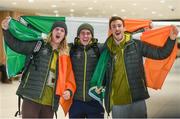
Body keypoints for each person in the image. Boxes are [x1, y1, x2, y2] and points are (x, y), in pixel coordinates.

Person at [96, 16, 178, 118]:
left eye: (119, 26)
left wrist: (171, 39)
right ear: (111, 30)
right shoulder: (106, 50)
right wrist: (100, 84)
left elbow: (160, 54)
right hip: (118, 101)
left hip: (137, 98)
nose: (117, 28)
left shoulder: (137, 45)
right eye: (113, 26)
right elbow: (103, 71)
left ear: (124, 28)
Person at [1, 17, 76, 118]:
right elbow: (16, 45)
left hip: (50, 102)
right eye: (56, 29)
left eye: (62, 30)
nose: (59, 32)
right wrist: (6, 30)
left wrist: (69, 90)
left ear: (64, 35)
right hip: (31, 97)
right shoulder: (39, 45)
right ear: (51, 32)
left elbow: (69, 76)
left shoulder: (64, 56)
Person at [69, 23, 104, 118]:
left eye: (88, 33)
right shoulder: (71, 49)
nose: (85, 36)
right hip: (75, 102)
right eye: (82, 33)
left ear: (92, 36)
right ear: (78, 35)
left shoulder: (99, 48)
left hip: (94, 100)